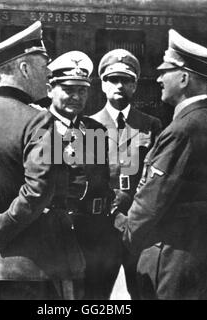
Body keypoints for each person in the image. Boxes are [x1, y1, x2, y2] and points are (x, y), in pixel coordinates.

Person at [0, 22, 85, 300]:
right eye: (44, 66)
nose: (49, 74)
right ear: (25, 69)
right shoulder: (39, 121)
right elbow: (39, 191)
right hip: (33, 267)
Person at [116, 29, 207, 299]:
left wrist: (126, 238)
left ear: (183, 78)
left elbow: (151, 200)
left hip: (172, 253)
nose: (158, 78)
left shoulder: (181, 130)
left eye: (164, 71)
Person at [91, 49, 162, 299]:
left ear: (135, 85)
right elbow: (83, 180)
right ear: (103, 84)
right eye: (113, 79)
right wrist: (113, 213)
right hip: (101, 226)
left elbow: (155, 177)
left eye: (126, 80)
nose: (119, 85)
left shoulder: (151, 125)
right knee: (95, 296)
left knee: (144, 292)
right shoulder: (88, 126)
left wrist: (133, 216)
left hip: (140, 227)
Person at [46, 50, 116, 299]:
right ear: (50, 90)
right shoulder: (40, 129)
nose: (76, 96)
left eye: (82, 90)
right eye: (68, 89)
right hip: (61, 233)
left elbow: (100, 180)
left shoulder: (94, 129)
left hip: (98, 233)